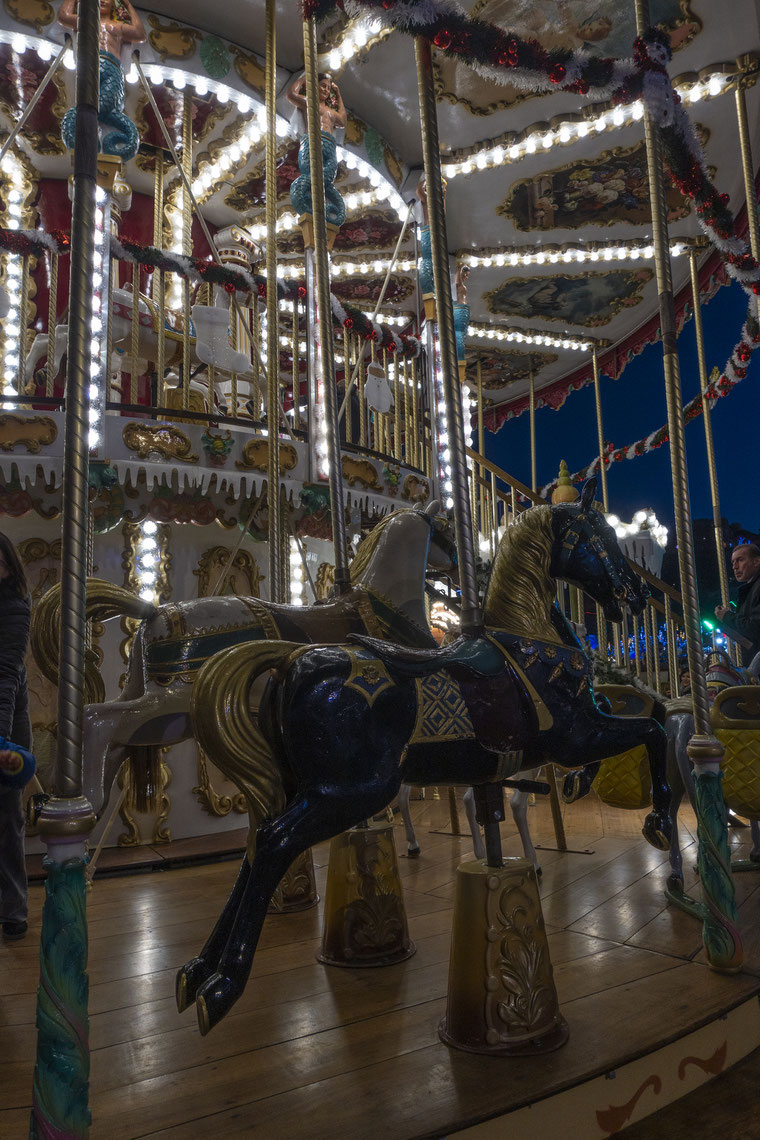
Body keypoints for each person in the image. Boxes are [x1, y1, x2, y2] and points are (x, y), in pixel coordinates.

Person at [0, 532, 32, 941]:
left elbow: (4, 676)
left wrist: (0, 741)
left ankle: (13, 907)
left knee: (6, 806)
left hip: (5, 708)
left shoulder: (14, 606)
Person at [715, 544, 760, 666]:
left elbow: (755, 628)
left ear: (756, 561)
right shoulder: (751, 589)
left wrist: (727, 616)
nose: (735, 567)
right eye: (733, 562)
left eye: (740, 560)